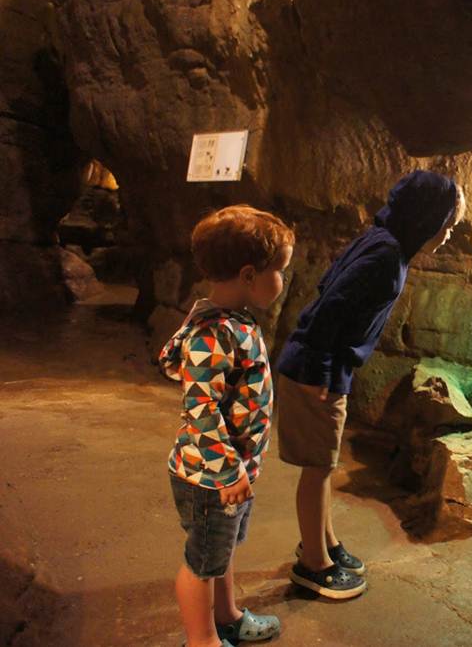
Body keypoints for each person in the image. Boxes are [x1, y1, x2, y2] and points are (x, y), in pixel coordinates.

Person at [275, 170, 466, 599]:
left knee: (322, 465)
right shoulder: (386, 255)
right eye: (447, 224)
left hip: (321, 368)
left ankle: (324, 543)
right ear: (425, 219)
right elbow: (329, 307)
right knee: (316, 469)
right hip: (314, 373)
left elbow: (329, 286)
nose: (449, 234)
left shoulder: (382, 242)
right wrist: (321, 373)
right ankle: (313, 566)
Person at [160, 205, 295, 647]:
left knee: (222, 550)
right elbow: (200, 410)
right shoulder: (212, 334)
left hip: (231, 473)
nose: (283, 280)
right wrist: (227, 471)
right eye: (280, 270)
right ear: (250, 274)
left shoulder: (234, 323)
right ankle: (203, 642)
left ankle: (228, 617)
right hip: (209, 477)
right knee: (201, 561)